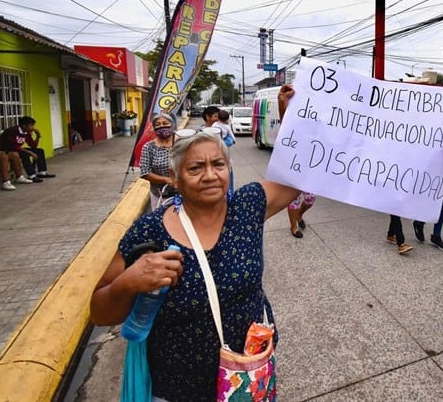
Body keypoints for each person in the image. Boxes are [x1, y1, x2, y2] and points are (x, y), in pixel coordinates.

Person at [90, 85, 301, 401]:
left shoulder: (247, 207)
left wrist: (291, 117)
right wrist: (127, 283)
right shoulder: (150, 231)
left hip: (248, 380)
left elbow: (298, 176)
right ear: (175, 179)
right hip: (178, 389)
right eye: (195, 168)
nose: (210, 175)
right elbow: (99, 312)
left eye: (218, 165)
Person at [0, 116, 56, 182]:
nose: (33, 128)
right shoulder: (12, 131)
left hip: (17, 149)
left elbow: (33, 145)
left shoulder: (26, 132)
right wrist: (30, 152)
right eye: (31, 125)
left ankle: (42, 172)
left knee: (39, 151)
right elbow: (12, 146)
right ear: (24, 126)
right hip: (8, 150)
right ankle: (31, 175)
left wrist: (38, 136)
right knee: (25, 154)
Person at [140, 112, 176, 209]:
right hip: (160, 194)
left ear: (172, 125)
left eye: (165, 123)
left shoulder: (182, 143)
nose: (162, 126)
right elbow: (145, 172)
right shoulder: (148, 147)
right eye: (157, 124)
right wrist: (166, 180)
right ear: (154, 128)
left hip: (184, 192)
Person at [412, 172, 443, 251]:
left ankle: (436, 236)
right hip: (435, 170)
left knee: (442, 205)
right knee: (431, 201)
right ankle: (420, 222)